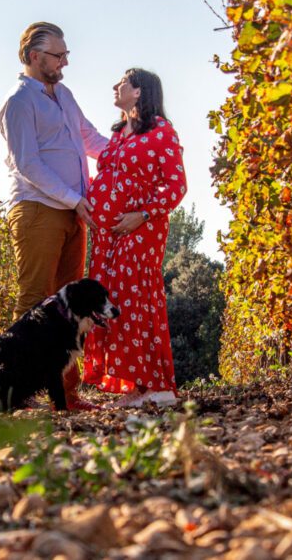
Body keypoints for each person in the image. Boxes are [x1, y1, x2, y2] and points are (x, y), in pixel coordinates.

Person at [0, 21, 109, 411]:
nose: (65, 61)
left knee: (71, 309)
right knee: (35, 303)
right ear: (34, 57)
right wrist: (72, 198)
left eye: (66, 54)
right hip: (38, 210)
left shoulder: (64, 94)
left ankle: (67, 396)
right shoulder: (19, 101)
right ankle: (15, 395)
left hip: (73, 211)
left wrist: (132, 151)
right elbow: (27, 163)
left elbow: (91, 138)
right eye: (58, 55)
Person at [82, 68, 187, 407]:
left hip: (140, 229)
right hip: (108, 236)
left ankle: (153, 386)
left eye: (123, 82)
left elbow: (176, 185)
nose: (116, 86)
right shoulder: (118, 134)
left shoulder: (161, 131)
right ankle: (132, 385)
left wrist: (141, 215)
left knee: (134, 299)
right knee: (110, 301)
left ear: (140, 92)